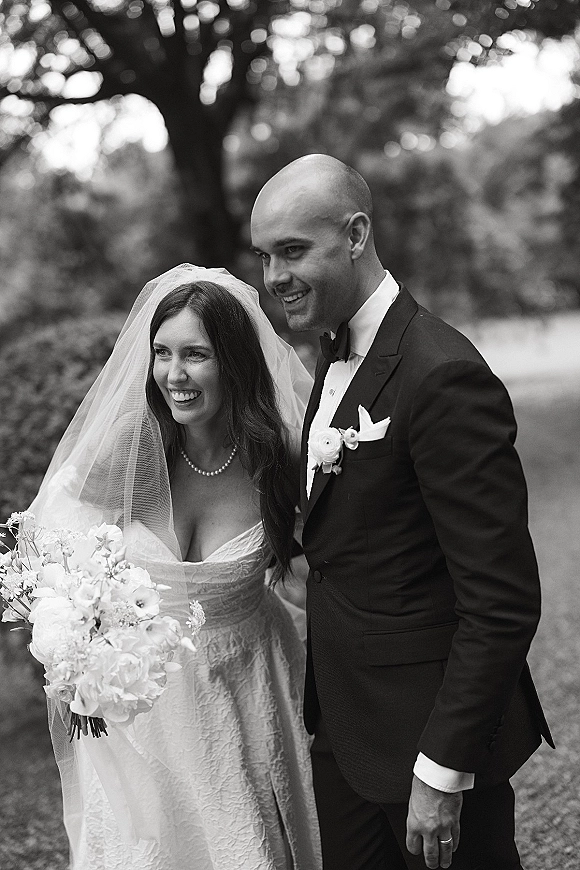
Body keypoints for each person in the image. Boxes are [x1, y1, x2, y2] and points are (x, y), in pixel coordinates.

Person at [250, 155, 554, 870]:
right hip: (346, 733)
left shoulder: (442, 374)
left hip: (429, 744)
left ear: (356, 234)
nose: (273, 276)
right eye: (265, 255)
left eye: (293, 250)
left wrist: (442, 771)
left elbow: (502, 600)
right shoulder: (331, 349)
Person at [29, 264, 321, 870]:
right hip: (141, 710)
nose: (174, 375)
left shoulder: (277, 459)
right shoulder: (126, 456)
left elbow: (316, 572)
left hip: (245, 686)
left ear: (235, 363)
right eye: (162, 354)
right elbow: (52, 557)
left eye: (196, 355)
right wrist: (77, 640)